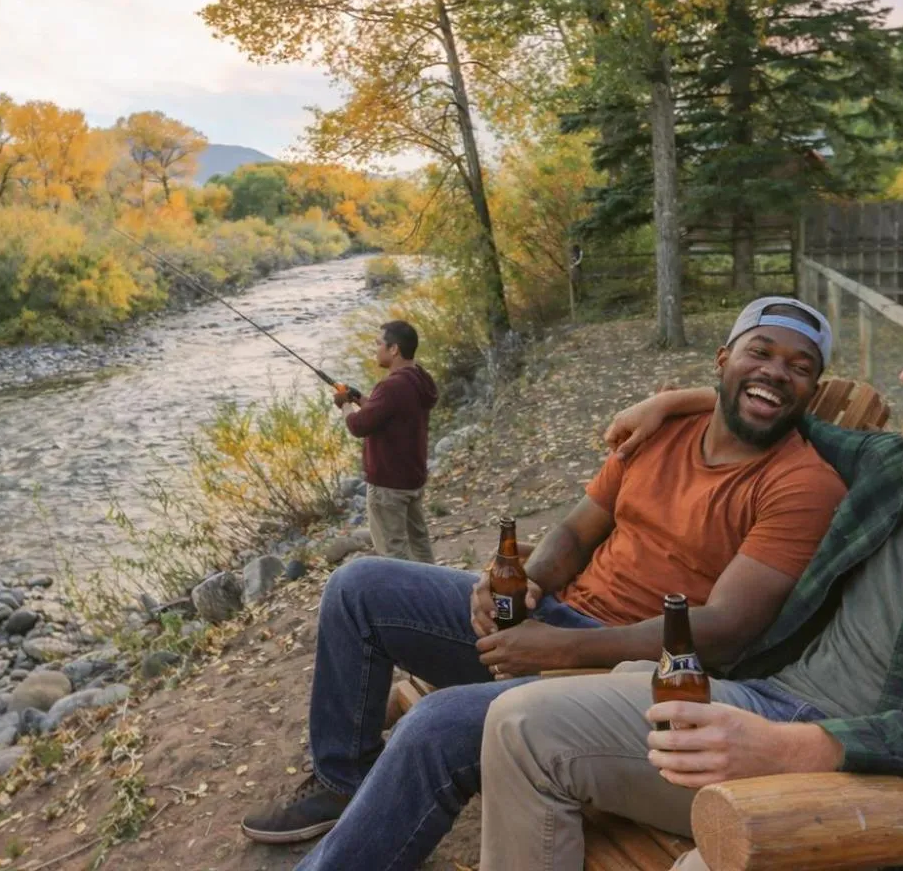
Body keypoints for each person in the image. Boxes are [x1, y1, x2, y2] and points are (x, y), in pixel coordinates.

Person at [477, 277, 903, 871]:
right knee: (519, 722)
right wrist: (676, 401)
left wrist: (803, 748)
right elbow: (774, 409)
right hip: (766, 706)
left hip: (873, 790)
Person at [240, 298, 850, 871]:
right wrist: (526, 586)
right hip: (559, 620)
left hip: (629, 677)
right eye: (760, 352)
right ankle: (345, 781)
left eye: (799, 367)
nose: (775, 373)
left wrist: (559, 650)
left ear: (812, 392)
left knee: (439, 723)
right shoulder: (657, 433)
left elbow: (722, 632)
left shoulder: (800, 485)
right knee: (358, 585)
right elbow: (576, 534)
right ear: (724, 359)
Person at [336, 320, 440, 562]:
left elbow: (358, 426)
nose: (376, 349)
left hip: (388, 485)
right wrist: (360, 399)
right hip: (412, 479)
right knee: (419, 543)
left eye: (379, 344)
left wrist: (344, 405)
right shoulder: (419, 378)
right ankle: (436, 590)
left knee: (393, 553)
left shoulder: (391, 386)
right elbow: (391, 412)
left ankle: (406, 597)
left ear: (394, 349)